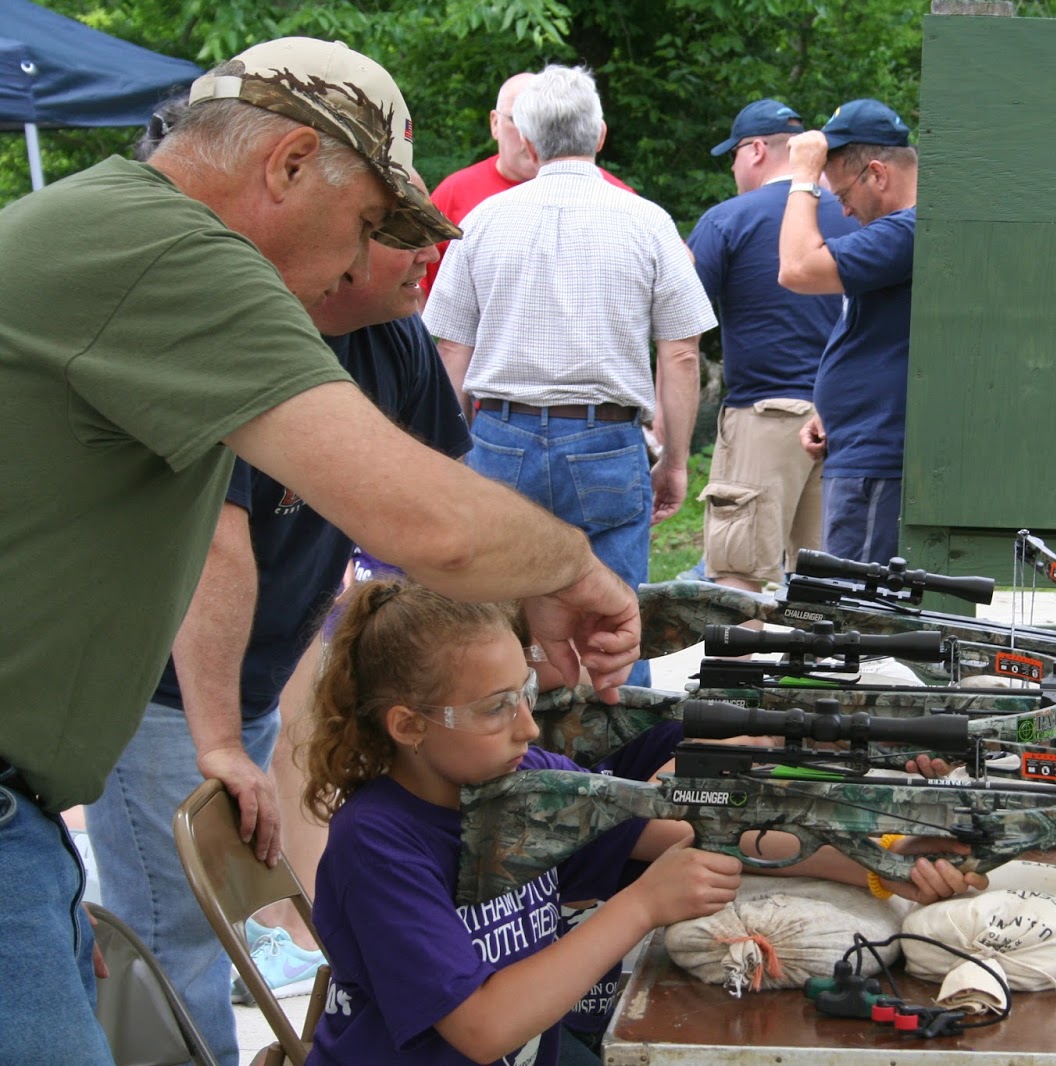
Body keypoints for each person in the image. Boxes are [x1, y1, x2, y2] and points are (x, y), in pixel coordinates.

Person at [0, 37, 642, 1065]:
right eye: (366, 223)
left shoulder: (120, 236)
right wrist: (574, 569)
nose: (361, 261)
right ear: (289, 163)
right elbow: (423, 522)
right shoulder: (171, 251)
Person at [302, 579, 985, 1065]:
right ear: (409, 726)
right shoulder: (377, 845)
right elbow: (481, 1030)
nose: (528, 725)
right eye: (495, 708)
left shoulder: (520, 780)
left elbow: (690, 826)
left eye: (525, 696)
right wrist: (640, 907)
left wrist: (885, 857)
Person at [425, 64, 717, 687]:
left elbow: (451, 351)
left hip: (499, 438)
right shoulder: (647, 221)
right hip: (606, 444)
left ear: (526, 142)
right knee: (613, 624)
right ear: (602, 135)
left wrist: (443, 460)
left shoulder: (481, 221)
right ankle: (617, 763)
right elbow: (683, 352)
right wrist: (674, 461)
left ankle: (507, 749)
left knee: (495, 619)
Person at [686, 99, 857, 593]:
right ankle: (820, 671)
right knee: (828, 586)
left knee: (738, 577)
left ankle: (735, 671)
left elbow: (681, 324)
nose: (734, 168)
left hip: (762, 418)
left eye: (734, 154)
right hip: (844, 423)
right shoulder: (854, 214)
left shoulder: (727, 220)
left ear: (756, 149)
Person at [777, 100, 918, 566]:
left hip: (876, 464)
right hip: (861, 449)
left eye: (841, 195)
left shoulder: (907, 231)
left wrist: (802, 178)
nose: (845, 209)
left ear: (877, 174)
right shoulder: (899, 233)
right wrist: (833, 411)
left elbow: (797, 268)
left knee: (856, 621)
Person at [423, 71, 634, 292]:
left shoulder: (620, 201)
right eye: (518, 119)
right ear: (495, 123)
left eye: (543, 122)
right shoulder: (454, 194)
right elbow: (417, 290)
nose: (532, 132)